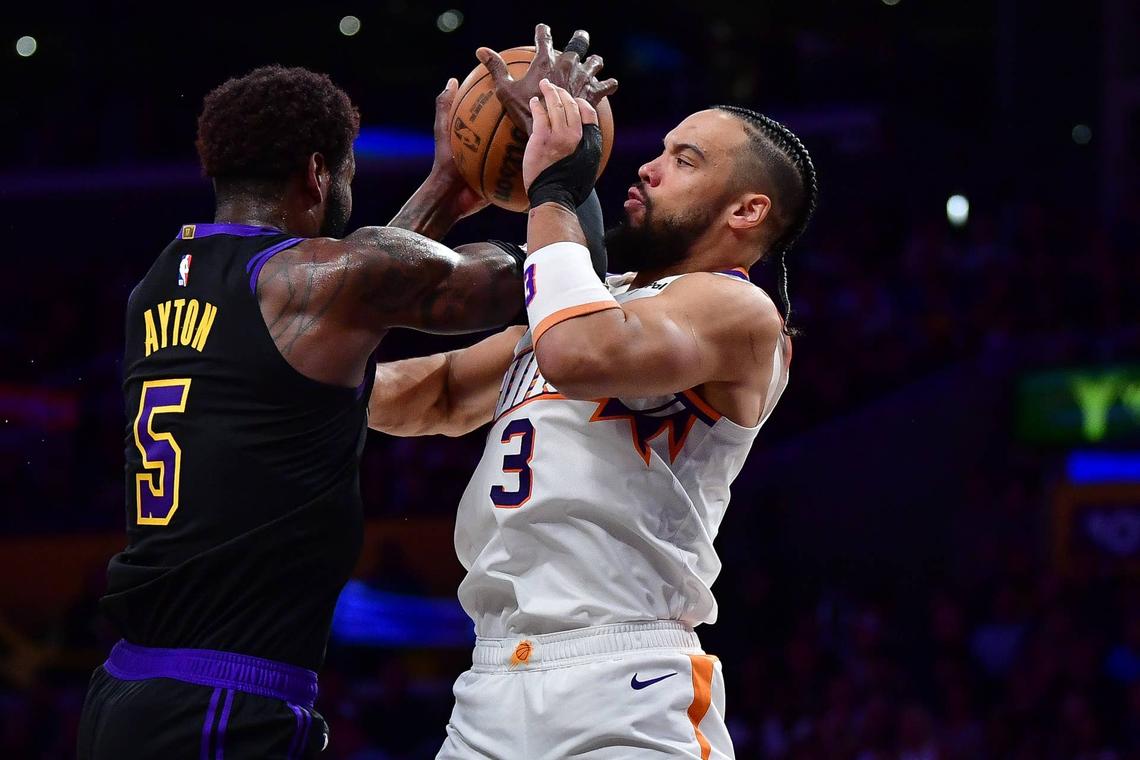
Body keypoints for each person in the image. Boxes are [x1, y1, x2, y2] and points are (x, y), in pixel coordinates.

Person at [78, 27, 616, 759]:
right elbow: (539, 282)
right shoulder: (325, 281)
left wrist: (443, 190)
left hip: (128, 689)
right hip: (222, 704)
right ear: (317, 173)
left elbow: (353, 295)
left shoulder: (165, 280)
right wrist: (562, 159)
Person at [425, 78, 818, 758]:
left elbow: (580, 351)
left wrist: (554, 188)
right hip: (488, 684)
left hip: (624, 683)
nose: (648, 165)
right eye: (661, 150)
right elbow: (433, 393)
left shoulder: (742, 314)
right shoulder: (588, 300)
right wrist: (439, 191)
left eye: (685, 159)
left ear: (747, 210)